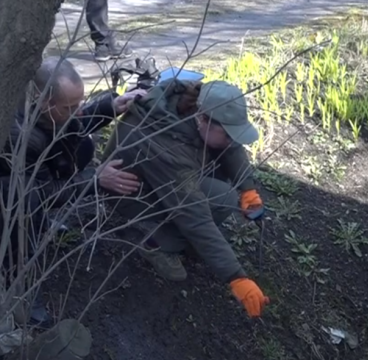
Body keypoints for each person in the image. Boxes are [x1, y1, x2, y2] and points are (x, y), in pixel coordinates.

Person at [0, 55, 146, 326]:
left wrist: (110, 107)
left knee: (82, 147)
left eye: (79, 103)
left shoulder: (47, 111)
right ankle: (19, 288)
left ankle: (40, 224)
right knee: (27, 204)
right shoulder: (20, 135)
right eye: (70, 106)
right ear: (44, 102)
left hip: (30, 181)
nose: (78, 110)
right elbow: (39, 192)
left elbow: (71, 126)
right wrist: (95, 180)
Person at [100, 78, 271, 319]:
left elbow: (229, 146)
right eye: (229, 134)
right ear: (202, 120)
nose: (233, 141)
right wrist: (236, 277)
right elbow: (195, 216)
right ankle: (156, 243)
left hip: (166, 178)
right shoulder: (163, 144)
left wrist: (248, 189)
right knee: (221, 198)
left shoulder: (197, 103)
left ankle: (188, 242)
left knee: (221, 188)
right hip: (131, 194)